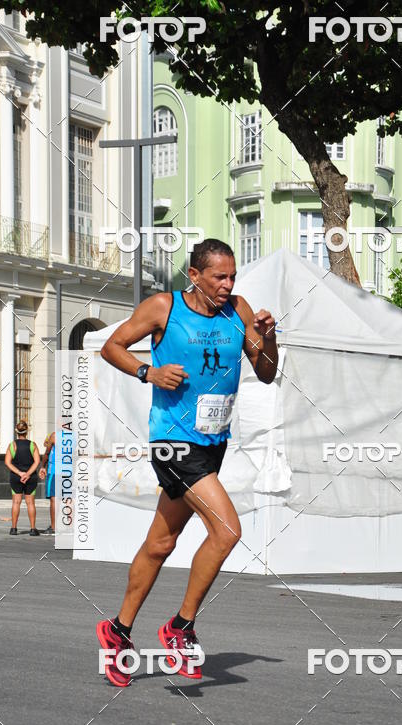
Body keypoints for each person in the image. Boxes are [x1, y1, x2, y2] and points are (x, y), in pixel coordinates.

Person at [96, 238, 278, 687]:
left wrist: (268, 336)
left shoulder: (238, 309)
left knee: (161, 542)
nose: (228, 284)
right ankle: (180, 626)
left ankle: (116, 631)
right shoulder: (162, 307)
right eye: (219, 276)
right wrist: (148, 372)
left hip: (212, 441)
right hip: (174, 442)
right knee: (227, 529)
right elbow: (112, 346)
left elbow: (268, 370)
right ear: (194, 276)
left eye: (232, 275)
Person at [4, 420, 41, 536]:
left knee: (16, 502)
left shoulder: (12, 445)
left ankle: (14, 528)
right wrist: (27, 474)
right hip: (31, 477)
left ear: (16, 431)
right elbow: (37, 462)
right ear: (27, 431)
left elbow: (7, 462)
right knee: (30, 503)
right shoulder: (32, 445)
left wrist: (20, 473)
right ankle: (33, 529)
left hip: (16, 477)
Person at [38, 432, 56, 534]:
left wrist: (42, 466)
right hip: (68, 471)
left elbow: (47, 453)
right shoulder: (75, 436)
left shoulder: (55, 435)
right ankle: (69, 526)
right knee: (68, 499)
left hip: (54, 471)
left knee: (54, 499)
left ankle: (54, 527)